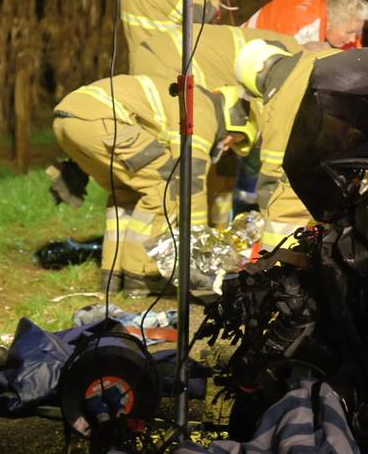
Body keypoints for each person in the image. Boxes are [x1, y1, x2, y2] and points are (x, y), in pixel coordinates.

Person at [51, 75, 235, 293]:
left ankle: (112, 275)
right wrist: (198, 245)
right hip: (100, 119)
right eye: (235, 139)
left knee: (126, 192)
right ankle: (140, 274)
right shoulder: (204, 112)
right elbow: (189, 181)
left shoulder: (190, 99)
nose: (228, 146)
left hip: (67, 118)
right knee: (163, 187)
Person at [130, 24, 302, 226]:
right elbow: (191, 175)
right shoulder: (291, 73)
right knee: (171, 180)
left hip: (157, 56)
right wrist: (196, 233)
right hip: (171, 67)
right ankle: (176, 237)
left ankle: (203, 231)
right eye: (235, 140)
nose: (229, 146)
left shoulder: (284, 56)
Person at [232, 41, 345, 249]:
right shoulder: (322, 56)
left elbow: (272, 177)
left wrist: (268, 233)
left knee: (283, 212)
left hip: (338, 175)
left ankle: (277, 269)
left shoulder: (279, 101)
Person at [243, 0, 368, 49]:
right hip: (247, 47)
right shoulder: (303, 25)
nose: (353, 39)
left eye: (356, 32)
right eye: (349, 32)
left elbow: (354, 54)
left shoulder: (336, 13)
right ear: (330, 22)